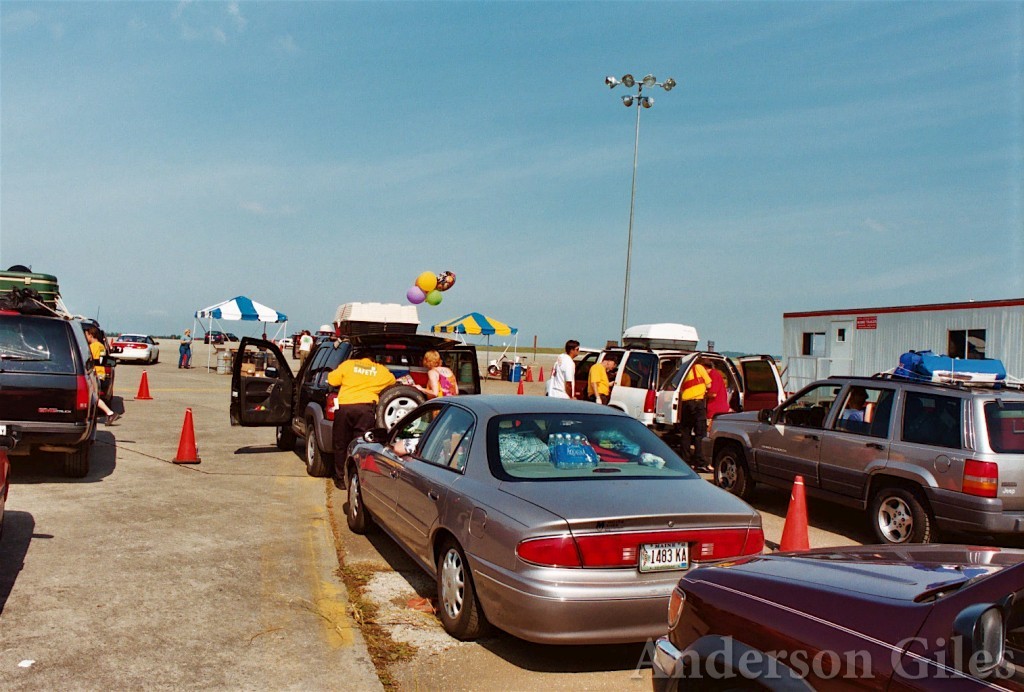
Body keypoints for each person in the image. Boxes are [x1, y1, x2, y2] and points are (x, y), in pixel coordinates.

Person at [327, 356, 396, 487]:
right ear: (373, 360)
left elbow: (332, 379)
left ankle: (341, 479)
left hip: (346, 407)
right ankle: (358, 479)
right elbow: (392, 381)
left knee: (340, 443)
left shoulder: (348, 365)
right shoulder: (379, 369)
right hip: (366, 409)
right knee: (361, 446)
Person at [677, 359, 712, 472]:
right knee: (700, 433)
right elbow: (709, 384)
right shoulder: (699, 368)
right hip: (697, 403)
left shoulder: (684, 370)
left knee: (686, 433)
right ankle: (699, 461)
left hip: (685, 404)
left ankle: (685, 460)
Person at [85, 326, 121, 425]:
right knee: (94, 396)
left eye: (86, 335)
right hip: (101, 374)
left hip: (95, 374)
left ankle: (110, 413)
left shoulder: (92, 347)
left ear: (91, 335)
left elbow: (90, 361)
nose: (86, 337)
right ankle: (108, 413)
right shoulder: (101, 346)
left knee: (93, 396)